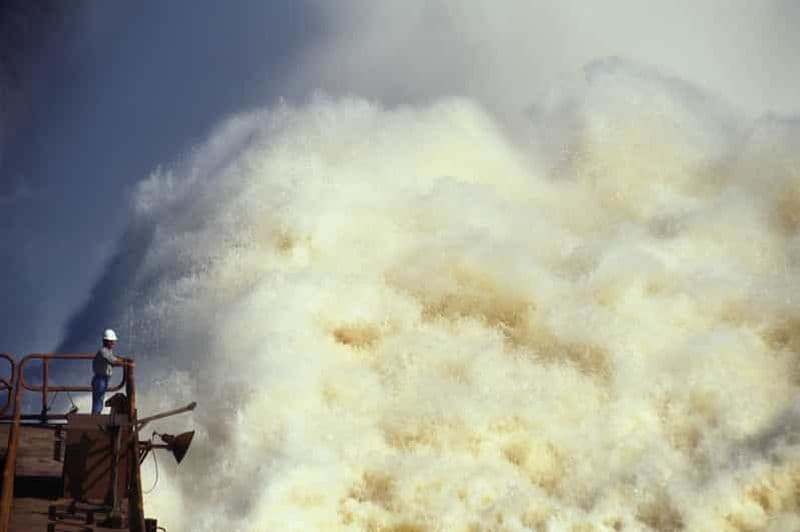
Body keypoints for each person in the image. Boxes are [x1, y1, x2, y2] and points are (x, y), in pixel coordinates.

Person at [91, 329, 126, 415]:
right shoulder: (103, 352)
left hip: (103, 379)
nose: (114, 343)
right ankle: (95, 416)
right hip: (100, 379)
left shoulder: (107, 351)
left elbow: (113, 359)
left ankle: (96, 415)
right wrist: (125, 363)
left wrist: (122, 361)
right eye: (112, 341)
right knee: (98, 399)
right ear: (106, 341)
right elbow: (113, 360)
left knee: (99, 398)